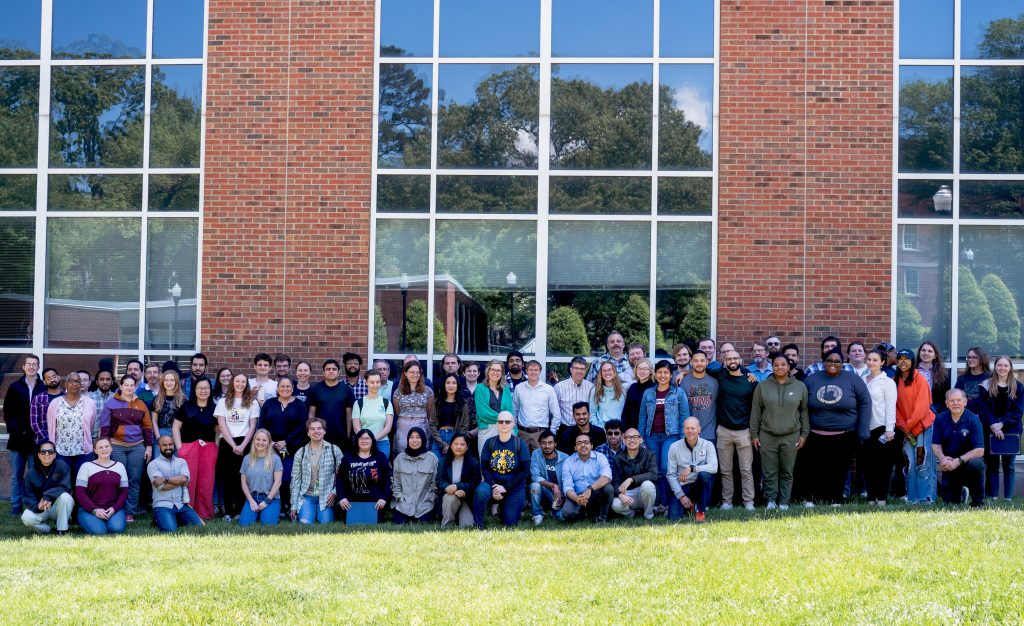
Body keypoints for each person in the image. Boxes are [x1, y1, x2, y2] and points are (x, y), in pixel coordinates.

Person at [803, 348, 872, 505]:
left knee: (839, 469)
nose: (833, 364)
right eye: (829, 360)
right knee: (816, 468)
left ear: (843, 363)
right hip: (816, 434)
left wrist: (863, 430)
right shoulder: (812, 379)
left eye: (837, 361)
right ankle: (813, 498)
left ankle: (836, 499)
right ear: (824, 362)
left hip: (844, 435)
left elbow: (865, 402)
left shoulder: (852, 379)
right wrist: (804, 431)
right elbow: (801, 406)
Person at [750, 354, 808, 509]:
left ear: (789, 367)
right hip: (767, 435)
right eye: (776, 365)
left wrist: (804, 434)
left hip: (791, 435)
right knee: (769, 471)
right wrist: (754, 434)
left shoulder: (800, 386)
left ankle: (784, 501)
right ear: (772, 367)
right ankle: (770, 500)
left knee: (787, 471)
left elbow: (804, 412)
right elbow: (755, 412)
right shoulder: (762, 386)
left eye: (783, 364)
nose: (780, 367)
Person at [99, 374, 154, 522]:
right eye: (126, 385)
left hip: (137, 446)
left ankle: (130, 512)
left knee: (134, 479)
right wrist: (105, 446)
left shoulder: (141, 404)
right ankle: (116, 510)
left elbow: (148, 427)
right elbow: (105, 427)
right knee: (117, 479)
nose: (129, 388)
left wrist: (149, 446)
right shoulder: (111, 404)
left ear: (135, 386)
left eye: (132, 385)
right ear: (121, 386)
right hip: (117, 446)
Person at [638, 360, 690, 513]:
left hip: (671, 436)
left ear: (670, 375)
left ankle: (667, 503)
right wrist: (641, 437)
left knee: (667, 468)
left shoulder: (678, 392)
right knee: (655, 470)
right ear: (655, 374)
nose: (662, 375)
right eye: (659, 372)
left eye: (666, 372)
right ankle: (658, 503)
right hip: (651, 436)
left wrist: (683, 439)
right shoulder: (648, 393)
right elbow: (642, 417)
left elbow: (684, 416)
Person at [711, 349, 758, 510]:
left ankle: (748, 502)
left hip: (744, 431)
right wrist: (684, 373)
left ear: (740, 360)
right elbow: (699, 367)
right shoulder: (720, 375)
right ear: (724, 362)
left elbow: (756, 407)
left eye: (735, 358)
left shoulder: (750, 380)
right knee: (725, 470)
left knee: (746, 469)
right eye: (729, 358)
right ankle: (727, 502)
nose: (732, 361)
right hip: (724, 430)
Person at [972, 356, 1024, 501]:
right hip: (990, 428)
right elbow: (983, 409)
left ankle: (1008, 498)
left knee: (1009, 466)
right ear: (995, 367)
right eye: (999, 365)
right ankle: (993, 496)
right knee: (992, 465)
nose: (1002, 368)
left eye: (1005, 366)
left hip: (1011, 429)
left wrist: (1001, 424)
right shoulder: (986, 385)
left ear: (1010, 367)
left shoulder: (1018, 386)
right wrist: (994, 425)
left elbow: (1018, 411)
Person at [259, 376, 308, 511]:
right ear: (277, 388)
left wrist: (286, 441)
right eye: (282, 386)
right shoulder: (269, 404)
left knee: (286, 478)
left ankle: (286, 505)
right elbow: (262, 425)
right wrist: (272, 442)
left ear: (293, 389)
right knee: (270, 478)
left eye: (288, 386)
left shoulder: (299, 405)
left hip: (291, 448)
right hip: (270, 448)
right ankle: (273, 506)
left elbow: (302, 427)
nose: (285, 389)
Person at [214, 373, 259, 521]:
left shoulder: (252, 403)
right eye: (237, 381)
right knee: (227, 478)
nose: (240, 384)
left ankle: (240, 510)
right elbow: (221, 425)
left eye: (243, 382)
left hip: (244, 442)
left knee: (243, 478)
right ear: (233, 383)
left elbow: (252, 427)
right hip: (228, 442)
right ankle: (228, 511)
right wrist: (233, 445)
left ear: (247, 384)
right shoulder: (222, 402)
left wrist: (243, 445)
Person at [473, 411, 530, 528]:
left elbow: (525, 471)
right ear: (497, 424)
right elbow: (484, 467)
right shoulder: (490, 442)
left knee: (510, 524)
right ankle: (478, 525)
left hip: (514, 485)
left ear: (513, 424)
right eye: (501, 421)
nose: (504, 424)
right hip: (493, 483)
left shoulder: (520, 443)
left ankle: (504, 507)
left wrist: (505, 487)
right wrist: (495, 487)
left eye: (507, 421)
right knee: (480, 492)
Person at [894, 349, 936, 504]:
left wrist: (909, 426)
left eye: (907, 359)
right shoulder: (895, 380)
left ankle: (926, 498)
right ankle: (912, 498)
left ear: (913, 362)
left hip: (922, 428)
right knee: (911, 464)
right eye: (900, 359)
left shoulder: (920, 379)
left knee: (923, 463)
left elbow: (922, 407)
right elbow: (894, 408)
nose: (903, 362)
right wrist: (903, 427)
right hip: (906, 430)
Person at [173, 378, 218, 519]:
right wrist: (180, 448)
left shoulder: (215, 408)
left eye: (206, 388)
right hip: (188, 448)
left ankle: (204, 513)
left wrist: (216, 447)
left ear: (210, 390)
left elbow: (218, 430)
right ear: (195, 390)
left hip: (208, 449)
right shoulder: (186, 407)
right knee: (189, 482)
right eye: (200, 388)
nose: (203, 391)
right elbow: (176, 428)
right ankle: (187, 512)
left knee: (207, 482)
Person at [932, 389, 986, 507]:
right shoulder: (940, 419)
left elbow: (980, 450)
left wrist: (959, 460)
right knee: (949, 503)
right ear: (946, 403)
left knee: (976, 463)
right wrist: (942, 458)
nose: (955, 403)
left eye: (959, 400)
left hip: (968, 463)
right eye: (952, 400)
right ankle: (961, 493)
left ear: (965, 402)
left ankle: (978, 502)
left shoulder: (973, 420)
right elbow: (935, 444)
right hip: (950, 464)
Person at [5, 354, 43, 516]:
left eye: (34, 364)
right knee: (17, 475)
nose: (31, 367)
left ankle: (33, 505)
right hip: (18, 439)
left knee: (34, 475)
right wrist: (15, 429)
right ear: (23, 367)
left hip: (36, 439)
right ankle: (15, 506)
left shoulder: (43, 387)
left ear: (38, 367)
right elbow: (8, 412)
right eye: (29, 364)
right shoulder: (15, 387)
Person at [289, 418, 343, 524]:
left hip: (327, 497)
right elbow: (295, 480)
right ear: (308, 433)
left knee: (326, 523)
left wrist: (334, 493)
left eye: (319, 428)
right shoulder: (301, 452)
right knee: (305, 523)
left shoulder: (334, 450)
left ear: (324, 431)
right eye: (312, 429)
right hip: (307, 496)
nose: (316, 431)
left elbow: (342, 476)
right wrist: (293, 506)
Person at [861, 349, 897, 505]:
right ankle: (870, 498)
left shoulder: (887, 382)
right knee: (868, 465)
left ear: (882, 363)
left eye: (875, 360)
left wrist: (890, 429)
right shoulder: (861, 380)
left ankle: (881, 498)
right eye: (869, 359)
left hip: (881, 428)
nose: (871, 362)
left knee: (882, 466)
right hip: (864, 428)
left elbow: (891, 407)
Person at [667, 417, 719, 522]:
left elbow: (714, 467)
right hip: (683, 487)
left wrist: (692, 468)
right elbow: (671, 475)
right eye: (687, 428)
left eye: (693, 428)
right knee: (673, 518)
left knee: (704, 474)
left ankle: (700, 510)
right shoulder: (674, 447)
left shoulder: (708, 445)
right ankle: (690, 506)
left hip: (700, 486)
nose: (690, 431)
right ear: (683, 430)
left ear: (699, 429)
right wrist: (681, 496)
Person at [149, 435, 204, 532]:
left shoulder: (181, 462)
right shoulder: (153, 464)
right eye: (164, 445)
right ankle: (158, 519)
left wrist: (165, 478)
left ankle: (173, 518)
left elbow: (184, 479)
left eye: (170, 444)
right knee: (170, 530)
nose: (168, 447)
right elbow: (162, 487)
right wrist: (180, 481)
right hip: (163, 504)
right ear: (159, 447)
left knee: (198, 526)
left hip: (180, 504)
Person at [46, 372, 97, 477]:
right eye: (71, 381)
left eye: (78, 381)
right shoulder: (55, 403)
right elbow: (51, 427)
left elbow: (90, 424)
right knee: (63, 483)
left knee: (81, 483)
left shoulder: (90, 403)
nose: (75, 384)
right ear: (65, 384)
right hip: (61, 451)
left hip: (83, 452)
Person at [74, 438, 128, 535]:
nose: (104, 449)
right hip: (90, 509)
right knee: (99, 532)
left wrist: (114, 509)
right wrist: (94, 510)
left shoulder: (120, 466)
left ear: (111, 448)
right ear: (95, 450)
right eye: (100, 447)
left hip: (112, 509)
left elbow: (124, 492)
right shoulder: (86, 466)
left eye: (107, 446)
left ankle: (109, 520)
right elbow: (80, 493)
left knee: (116, 529)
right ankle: (89, 520)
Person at [337, 429, 391, 522]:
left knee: (374, 522)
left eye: (367, 438)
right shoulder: (348, 457)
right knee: (352, 523)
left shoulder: (380, 457)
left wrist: (383, 498)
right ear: (357, 441)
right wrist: (342, 497)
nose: (364, 441)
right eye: (361, 438)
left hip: (375, 502)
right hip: (351, 502)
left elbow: (387, 480)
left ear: (372, 440)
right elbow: (340, 478)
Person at [21, 441, 74, 534]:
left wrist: (48, 496)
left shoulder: (61, 465)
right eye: (43, 451)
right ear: (38, 455)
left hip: (58, 507)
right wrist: (38, 506)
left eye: (50, 451)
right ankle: (45, 529)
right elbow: (28, 496)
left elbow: (66, 486)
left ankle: (62, 529)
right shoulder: (31, 473)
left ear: (54, 455)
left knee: (66, 497)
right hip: (41, 508)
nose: (46, 454)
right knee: (26, 518)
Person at [560, 433, 613, 523]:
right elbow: (567, 486)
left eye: (586, 442)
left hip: (595, 492)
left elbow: (607, 477)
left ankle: (602, 518)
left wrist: (590, 489)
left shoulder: (600, 457)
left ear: (591, 446)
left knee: (608, 488)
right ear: (575, 447)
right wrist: (577, 498)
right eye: (579, 443)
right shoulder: (568, 462)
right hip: (577, 495)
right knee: (567, 513)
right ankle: (587, 512)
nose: (583, 445)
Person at [391, 427, 437, 523]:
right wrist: (400, 498)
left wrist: (429, 498)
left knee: (424, 523)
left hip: (424, 505)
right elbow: (396, 484)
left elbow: (434, 484)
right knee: (399, 523)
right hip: (404, 504)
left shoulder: (432, 458)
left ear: (423, 439)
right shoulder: (399, 459)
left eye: (418, 437)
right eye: (411, 437)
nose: (414, 440)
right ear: (408, 440)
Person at [238, 429, 284, 527]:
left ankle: (270, 513)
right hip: (252, 497)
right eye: (258, 439)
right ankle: (257, 513)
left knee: (268, 525)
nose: (260, 442)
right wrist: (251, 501)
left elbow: (278, 482)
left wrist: (267, 501)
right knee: (244, 525)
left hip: (270, 498)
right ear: (254, 441)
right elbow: (243, 482)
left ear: (269, 443)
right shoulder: (247, 458)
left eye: (264, 440)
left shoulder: (275, 459)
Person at [610, 427, 658, 520]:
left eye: (635, 437)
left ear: (640, 440)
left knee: (647, 485)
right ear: (624, 440)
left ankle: (648, 515)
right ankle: (631, 514)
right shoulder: (618, 458)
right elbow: (615, 482)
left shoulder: (649, 454)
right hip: (628, 495)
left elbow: (653, 474)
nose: (632, 440)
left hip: (644, 492)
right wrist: (620, 495)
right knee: (615, 504)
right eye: (628, 437)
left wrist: (631, 479)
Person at [513, 360, 560, 452]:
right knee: (522, 462)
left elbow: (556, 414)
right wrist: (515, 431)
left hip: (541, 433)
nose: (533, 372)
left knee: (540, 461)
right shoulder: (519, 388)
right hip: (522, 433)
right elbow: (514, 411)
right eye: (531, 369)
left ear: (540, 371)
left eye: (536, 370)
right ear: (526, 371)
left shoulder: (548, 389)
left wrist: (551, 432)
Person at [306, 359, 355, 450]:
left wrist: (348, 436)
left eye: (334, 369)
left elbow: (349, 416)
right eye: (328, 369)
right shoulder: (315, 389)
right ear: (323, 372)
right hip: (320, 434)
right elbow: (311, 414)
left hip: (341, 435)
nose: (331, 371)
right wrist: (312, 432)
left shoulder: (346, 390)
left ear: (339, 372)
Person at [436, 433, 479, 527]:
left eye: (462, 444)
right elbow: (439, 481)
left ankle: (458, 517)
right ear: (451, 446)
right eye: (456, 444)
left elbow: (474, 484)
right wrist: (452, 490)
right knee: (449, 498)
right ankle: (446, 526)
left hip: (466, 498)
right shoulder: (443, 462)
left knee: (467, 526)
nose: (458, 447)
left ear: (467, 447)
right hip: (450, 496)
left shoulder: (474, 463)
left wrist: (458, 486)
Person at [393, 360, 435, 455]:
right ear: (405, 373)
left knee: (422, 454)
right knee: (402, 455)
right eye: (412, 372)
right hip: (403, 428)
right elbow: (397, 412)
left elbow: (430, 412)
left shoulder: (428, 391)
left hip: (422, 427)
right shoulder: (398, 392)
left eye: (418, 372)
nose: (415, 375)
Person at [430, 373, 474, 460]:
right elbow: (432, 424)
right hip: (439, 438)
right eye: (448, 383)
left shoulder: (463, 403)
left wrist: (454, 443)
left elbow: (465, 426)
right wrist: (442, 444)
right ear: (444, 385)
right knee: (437, 467)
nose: (451, 385)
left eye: (454, 383)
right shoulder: (437, 402)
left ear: (457, 385)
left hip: (456, 439)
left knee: (452, 468)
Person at [678, 350, 719, 444]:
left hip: (709, 434)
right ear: (691, 362)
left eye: (702, 360)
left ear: (707, 362)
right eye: (696, 361)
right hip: (688, 433)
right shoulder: (682, 381)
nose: (699, 363)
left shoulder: (716, 381)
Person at [475, 359, 514, 455]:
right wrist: (504, 419)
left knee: (504, 462)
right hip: (487, 429)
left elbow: (510, 412)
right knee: (486, 462)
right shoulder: (480, 388)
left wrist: (513, 429)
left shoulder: (506, 389)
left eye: (498, 370)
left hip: (505, 429)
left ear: (502, 373)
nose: (495, 373)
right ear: (487, 371)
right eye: (492, 369)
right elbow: (484, 413)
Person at [353, 371, 396, 458]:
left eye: (377, 382)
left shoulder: (386, 403)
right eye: (372, 382)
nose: (375, 385)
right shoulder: (359, 403)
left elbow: (388, 428)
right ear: (366, 382)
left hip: (382, 444)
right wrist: (366, 440)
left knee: (381, 470)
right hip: (363, 444)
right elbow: (356, 428)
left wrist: (373, 439)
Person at [529, 430, 567, 525]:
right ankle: (537, 514)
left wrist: (562, 494)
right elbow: (535, 476)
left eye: (550, 443)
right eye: (543, 443)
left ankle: (552, 512)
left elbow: (568, 480)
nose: (547, 446)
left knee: (561, 518)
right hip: (542, 492)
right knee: (534, 486)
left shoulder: (565, 458)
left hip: (558, 495)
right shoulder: (536, 454)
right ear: (540, 444)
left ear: (555, 444)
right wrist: (552, 485)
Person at [553, 356, 595, 436]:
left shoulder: (591, 387)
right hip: (565, 430)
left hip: (585, 431)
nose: (579, 371)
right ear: (571, 369)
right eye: (576, 368)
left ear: (585, 371)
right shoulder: (559, 387)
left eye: (582, 369)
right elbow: (553, 411)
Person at [152, 369, 186, 447]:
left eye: (172, 380)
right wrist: (158, 438)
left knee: (178, 459)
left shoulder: (183, 399)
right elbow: (154, 420)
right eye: (166, 380)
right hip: (161, 433)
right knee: (159, 459)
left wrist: (178, 435)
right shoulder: (157, 399)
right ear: (162, 382)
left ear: (176, 382)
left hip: (178, 434)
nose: (169, 383)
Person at [30, 368, 64, 445]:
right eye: (48, 378)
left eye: (54, 376)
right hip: (43, 442)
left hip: (64, 442)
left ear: (59, 377)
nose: (52, 380)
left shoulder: (67, 397)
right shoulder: (38, 398)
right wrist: (47, 439)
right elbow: (34, 423)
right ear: (44, 382)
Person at [589, 361, 628, 428]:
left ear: (614, 372)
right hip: (602, 429)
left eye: (609, 370)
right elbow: (592, 413)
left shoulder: (625, 388)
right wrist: (598, 428)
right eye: (604, 370)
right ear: (601, 373)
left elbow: (629, 411)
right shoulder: (595, 390)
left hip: (620, 430)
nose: (607, 373)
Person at [917, 340, 950, 413]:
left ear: (935, 355)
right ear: (919, 353)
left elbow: (946, 397)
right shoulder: (911, 371)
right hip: (915, 410)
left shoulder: (943, 374)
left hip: (934, 412)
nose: (926, 353)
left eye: (930, 351)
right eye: (923, 350)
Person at [621, 359, 654, 431]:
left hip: (650, 430)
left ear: (650, 371)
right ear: (636, 370)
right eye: (639, 369)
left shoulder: (654, 388)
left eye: (645, 369)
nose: (642, 371)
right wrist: (624, 429)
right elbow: (626, 410)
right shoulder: (633, 387)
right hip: (632, 429)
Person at [88, 369, 116, 444]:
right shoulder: (89, 398)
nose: (105, 382)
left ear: (112, 382)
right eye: (102, 379)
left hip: (113, 440)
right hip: (92, 439)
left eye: (108, 379)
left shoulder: (117, 398)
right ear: (97, 382)